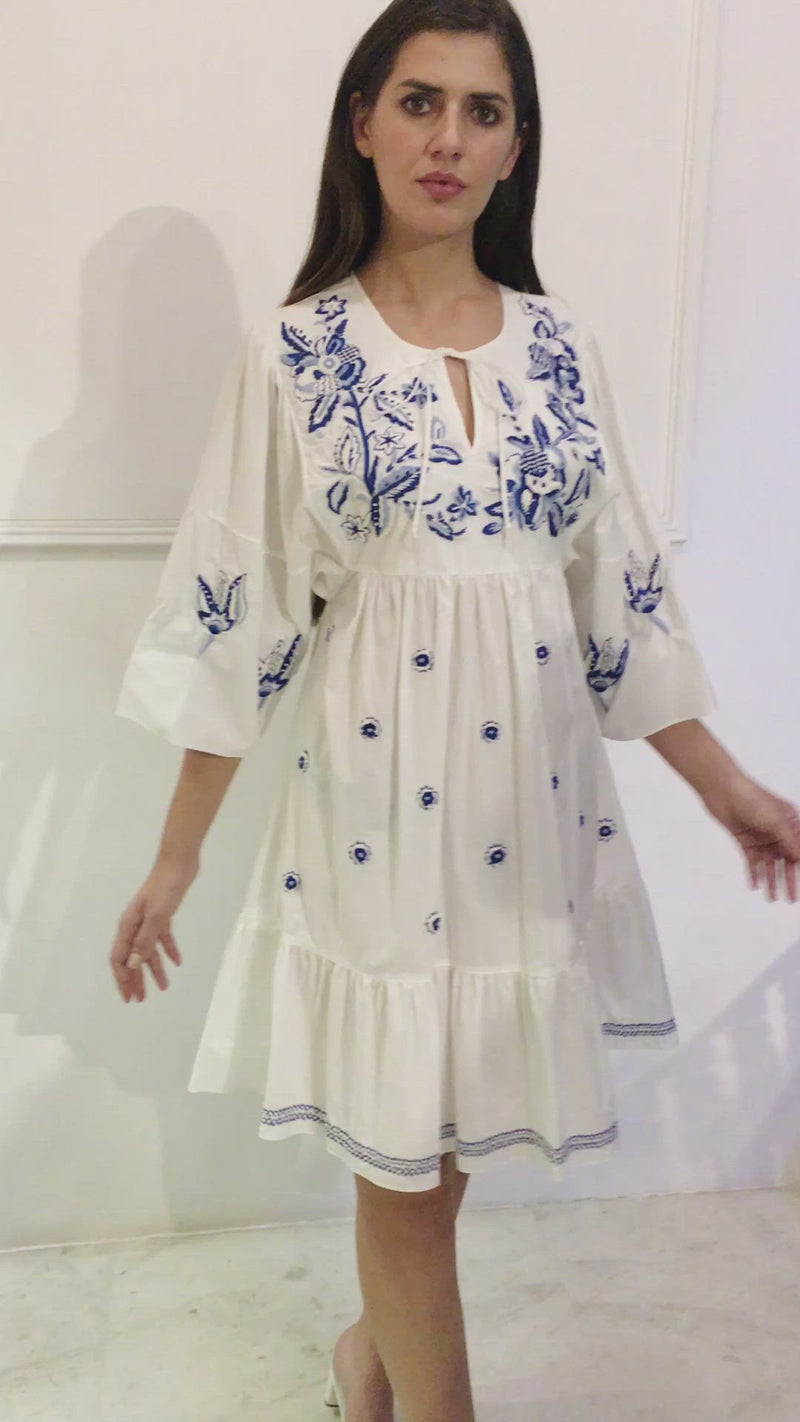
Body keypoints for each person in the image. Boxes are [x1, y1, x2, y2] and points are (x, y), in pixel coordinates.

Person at [109, 4, 800, 1420]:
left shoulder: (563, 348)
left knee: (449, 1147)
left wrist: (729, 787)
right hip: (373, 820)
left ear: (515, 148)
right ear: (362, 121)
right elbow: (237, 618)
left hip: (526, 824)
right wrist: (176, 855)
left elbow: (619, 604)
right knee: (409, 1182)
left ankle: (366, 1361)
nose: (448, 138)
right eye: (420, 101)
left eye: (483, 111)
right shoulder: (298, 355)